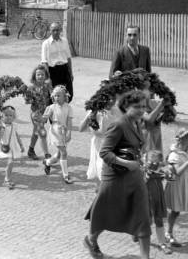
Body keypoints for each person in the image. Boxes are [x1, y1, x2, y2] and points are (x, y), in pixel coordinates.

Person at [84, 90, 151, 259]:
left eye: (144, 106)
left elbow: (136, 146)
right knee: (107, 212)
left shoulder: (137, 122)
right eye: (137, 106)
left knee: (142, 214)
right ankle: (91, 239)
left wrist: (143, 159)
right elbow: (105, 153)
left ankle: (145, 256)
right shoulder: (119, 124)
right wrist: (127, 163)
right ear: (126, 106)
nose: (142, 109)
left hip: (135, 176)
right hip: (115, 177)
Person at [80, 94, 123, 181]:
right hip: (99, 145)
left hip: (113, 144)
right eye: (109, 98)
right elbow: (81, 128)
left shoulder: (117, 110)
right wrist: (89, 118)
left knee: (108, 169)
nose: (111, 101)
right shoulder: (96, 111)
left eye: (114, 98)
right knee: (101, 168)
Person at [42, 85, 74, 184]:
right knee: (64, 153)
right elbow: (44, 119)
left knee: (59, 154)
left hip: (64, 132)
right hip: (55, 131)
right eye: (55, 96)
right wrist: (41, 117)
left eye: (59, 95)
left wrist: (69, 133)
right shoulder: (51, 107)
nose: (56, 98)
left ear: (65, 96)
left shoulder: (69, 108)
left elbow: (69, 122)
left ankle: (47, 162)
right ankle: (66, 176)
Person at [142, 150, 173, 254]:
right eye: (152, 161)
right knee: (147, 221)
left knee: (159, 219)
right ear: (147, 160)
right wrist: (148, 172)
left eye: (157, 161)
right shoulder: (144, 170)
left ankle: (162, 243)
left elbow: (170, 179)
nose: (155, 164)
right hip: (146, 199)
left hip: (158, 198)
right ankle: (138, 233)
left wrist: (168, 173)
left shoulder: (160, 170)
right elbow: (142, 182)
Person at [164, 128, 188, 249]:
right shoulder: (174, 154)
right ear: (183, 139)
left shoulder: (185, 151)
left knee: (176, 211)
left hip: (184, 184)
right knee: (175, 210)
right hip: (176, 185)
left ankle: (169, 233)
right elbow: (177, 172)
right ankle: (168, 233)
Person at [41, 22, 74, 103]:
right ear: (50, 31)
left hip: (64, 69)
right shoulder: (46, 44)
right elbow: (44, 62)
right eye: (53, 30)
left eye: (57, 30)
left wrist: (71, 72)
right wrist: (48, 78)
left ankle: (63, 112)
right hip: (53, 71)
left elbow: (68, 58)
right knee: (54, 96)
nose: (55, 32)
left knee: (69, 94)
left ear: (60, 30)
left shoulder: (64, 41)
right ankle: (54, 113)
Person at [25, 65, 52, 160]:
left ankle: (30, 150)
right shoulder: (31, 87)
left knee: (36, 133)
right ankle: (47, 155)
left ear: (46, 76)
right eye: (38, 74)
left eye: (42, 75)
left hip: (45, 113)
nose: (40, 76)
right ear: (34, 76)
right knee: (42, 132)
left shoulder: (47, 86)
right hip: (35, 113)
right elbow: (27, 101)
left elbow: (52, 97)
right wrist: (29, 98)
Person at [0, 106, 25, 189]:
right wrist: (1, 130)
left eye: (11, 115)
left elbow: (17, 135)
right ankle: (6, 180)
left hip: (12, 146)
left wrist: (21, 145)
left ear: (13, 117)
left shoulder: (14, 125)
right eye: (6, 115)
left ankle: (7, 178)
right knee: (10, 162)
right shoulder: (0, 125)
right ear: (2, 115)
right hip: (5, 146)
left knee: (11, 163)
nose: (8, 117)